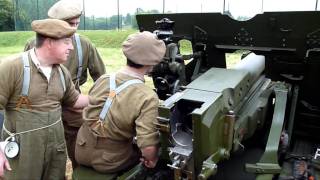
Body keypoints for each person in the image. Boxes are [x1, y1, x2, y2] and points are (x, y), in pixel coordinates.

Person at [0, 18, 89, 179]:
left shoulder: (62, 72)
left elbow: (75, 101)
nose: (72, 47)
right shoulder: (12, 68)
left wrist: (105, 97)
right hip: (23, 155)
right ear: (50, 42)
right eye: (67, 42)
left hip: (55, 152)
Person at [24, 0, 106, 168]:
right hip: (42, 106)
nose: (74, 28)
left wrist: (97, 102)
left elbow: (101, 78)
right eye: (70, 24)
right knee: (42, 153)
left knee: (79, 149)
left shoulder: (84, 44)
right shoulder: (33, 45)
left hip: (73, 104)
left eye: (77, 23)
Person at [75, 31, 166, 173]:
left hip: (81, 149)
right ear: (152, 63)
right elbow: (147, 147)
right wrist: (152, 159)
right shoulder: (147, 97)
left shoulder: (104, 79)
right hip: (111, 161)